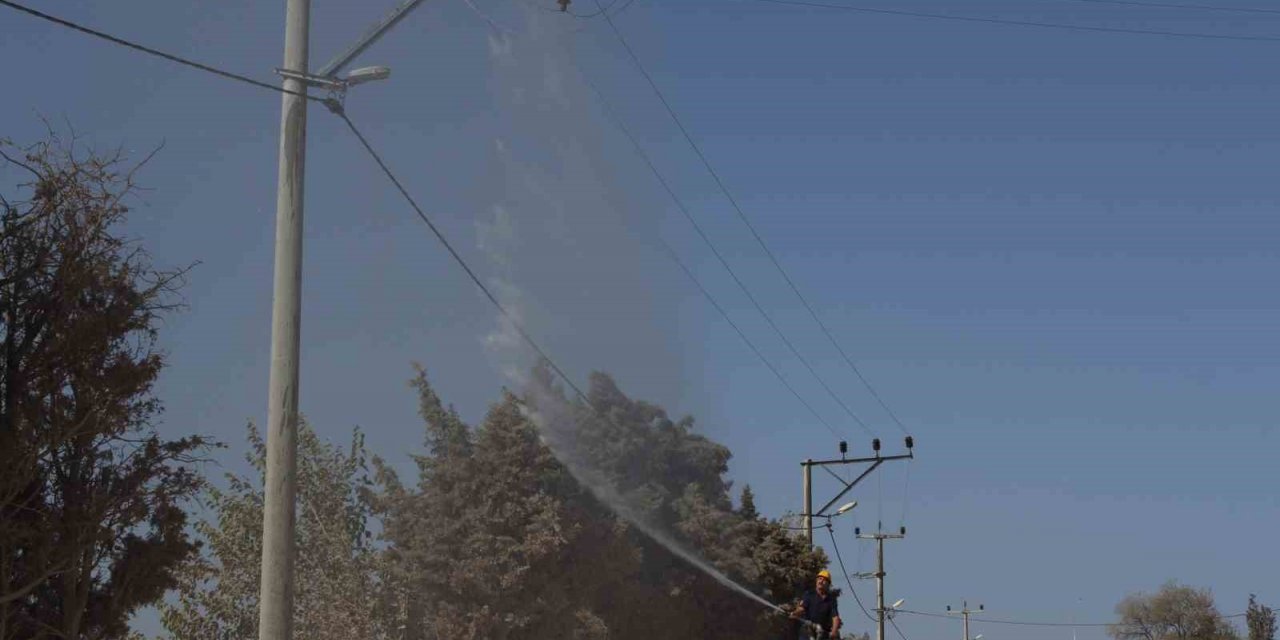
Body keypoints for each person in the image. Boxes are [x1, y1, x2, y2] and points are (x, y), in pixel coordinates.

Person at [790, 569, 842, 638]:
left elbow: (835, 618)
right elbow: (802, 608)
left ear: (828, 584)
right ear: (816, 581)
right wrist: (794, 613)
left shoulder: (831, 600)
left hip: (822, 633)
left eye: (824, 580)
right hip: (808, 631)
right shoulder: (809, 594)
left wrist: (834, 631)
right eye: (819, 579)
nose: (821, 581)